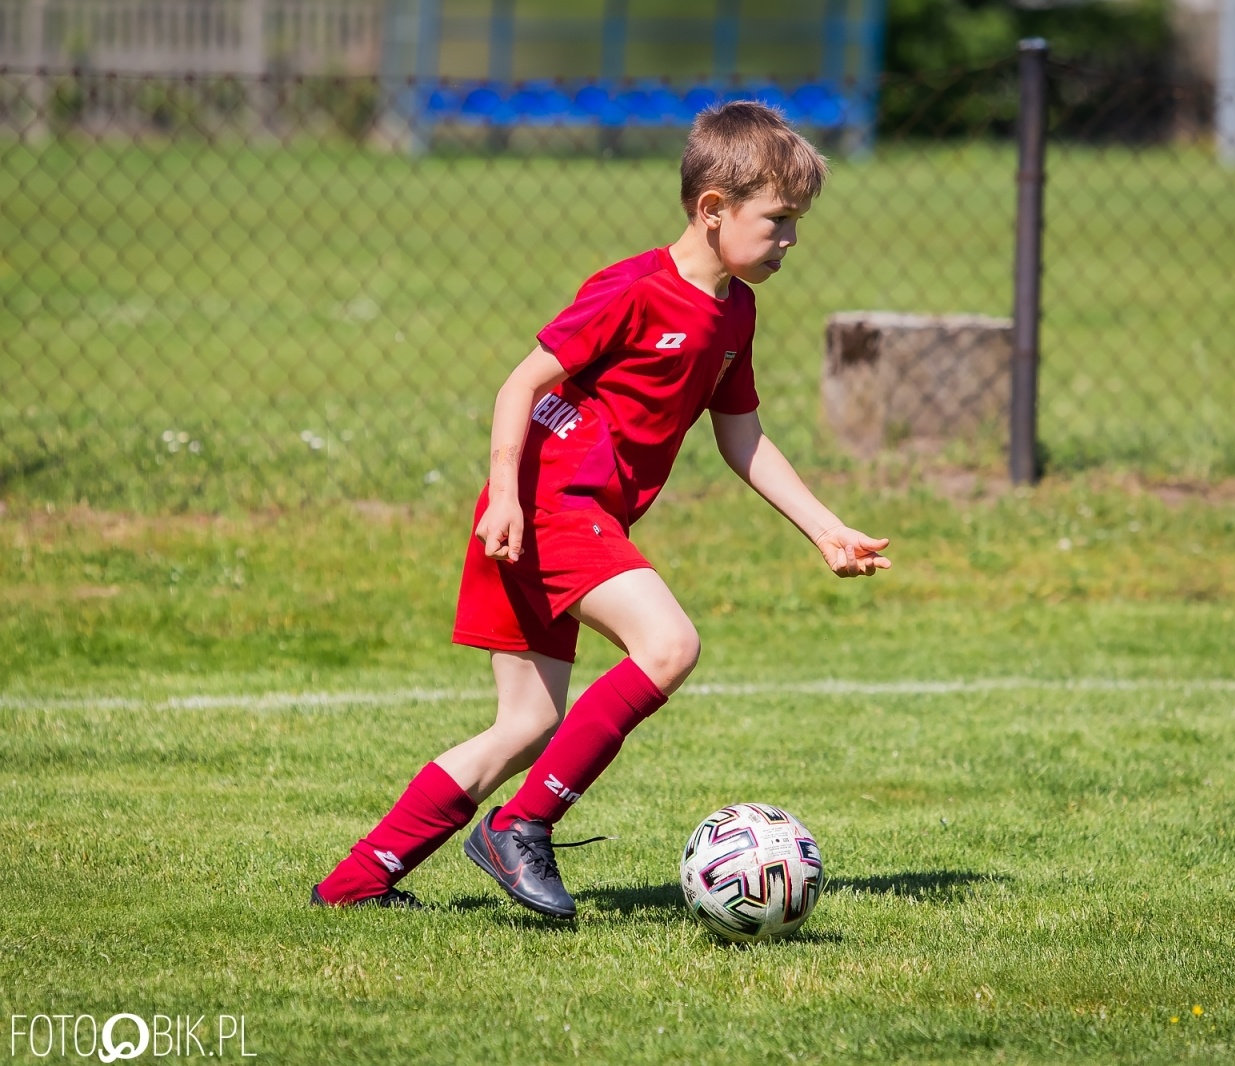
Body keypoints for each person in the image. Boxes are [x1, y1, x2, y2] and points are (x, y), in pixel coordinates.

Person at [311, 101, 891, 917]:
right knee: (670, 644)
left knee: (525, 727)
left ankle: (354, 884)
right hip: (547, 502)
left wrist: (825, 527)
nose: (792, 240)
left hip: (558, 511)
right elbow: (522, 382)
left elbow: (743, 437)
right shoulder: (634, 288)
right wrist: (508, 493)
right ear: (713, 210)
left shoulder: (735, 310)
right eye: (780, 220)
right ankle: (522, 828)